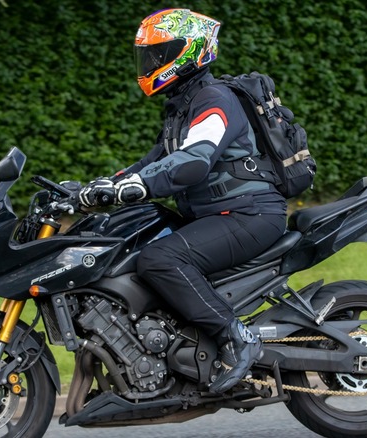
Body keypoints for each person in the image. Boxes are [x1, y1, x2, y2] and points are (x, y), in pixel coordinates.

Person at [77, 8, 287, 393]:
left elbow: (192, 162)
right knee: (136, 236)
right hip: (217, 215)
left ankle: (237, 338)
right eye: (150, 55)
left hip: (250, 214)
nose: (152, 63)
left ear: (189, 52)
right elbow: (152, 162)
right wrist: (95, 189)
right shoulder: (182, 107)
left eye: (160, 53)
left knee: (160, 258)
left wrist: (133, 187)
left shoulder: (214, 99)